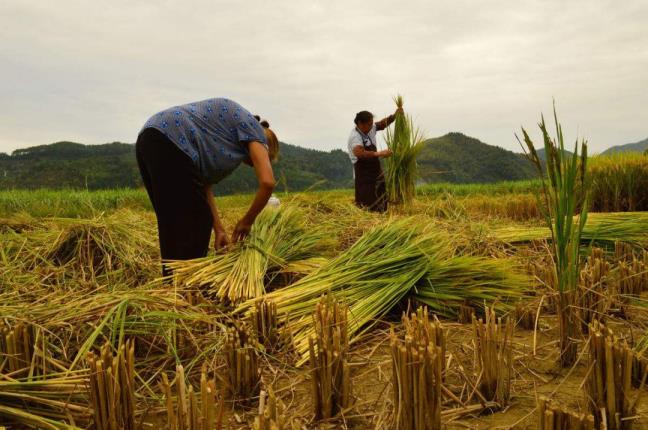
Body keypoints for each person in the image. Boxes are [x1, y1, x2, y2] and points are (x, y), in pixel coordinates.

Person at [136, 98, 278, 276]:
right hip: (172, 139)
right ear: (265, 146)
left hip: (150, 137)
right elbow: (267, 182)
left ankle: (173, 286)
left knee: (172, 222)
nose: (253, 165)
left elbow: (203, 186)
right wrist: (246, 222)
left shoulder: (225, 140)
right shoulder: (255, 130)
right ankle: (189, 284)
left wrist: (219, 230)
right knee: (197, 221)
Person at [347, 107, 401, 212]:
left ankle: (382, 214)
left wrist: (394, 116)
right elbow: (359, 153)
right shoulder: (355, 136)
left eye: (372, 123)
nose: (372, 126)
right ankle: (368, 220)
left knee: (381, 191)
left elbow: (381, 124)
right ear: (360, 124)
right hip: (363, 173)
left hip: (375, 168)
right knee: (366, 197)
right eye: (369, 124)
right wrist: (380, 153)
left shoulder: (370, 128)